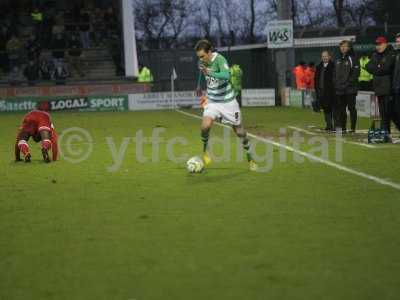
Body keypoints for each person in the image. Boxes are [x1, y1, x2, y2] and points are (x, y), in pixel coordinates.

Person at [195, 39, 257, 171]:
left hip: (228, 102)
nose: (200, 59)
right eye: (199, 57)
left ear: (209, 52)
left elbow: (226, 75)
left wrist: (209, 72)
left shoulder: (220, 60)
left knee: (240, 132)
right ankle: (205, 151)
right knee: (205, 126)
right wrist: (199, 85)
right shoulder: (201, 61)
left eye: (202, 56)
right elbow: (202, 73)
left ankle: (250, 157)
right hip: (212, 101)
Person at [366, 36, 400, 133]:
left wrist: (376, 68)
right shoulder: (375, 54)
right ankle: (386, 133)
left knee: (391, 112)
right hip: (378, 88)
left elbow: (387, 68)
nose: (378, 46)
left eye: (380, 44)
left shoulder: (391, 54)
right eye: (377, 44)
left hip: (389, 88)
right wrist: (379, 68)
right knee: (383, 113)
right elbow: (368, 66)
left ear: (385, 44)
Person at [333, 40, 360, 133]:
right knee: (341, 109)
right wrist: (336, 84)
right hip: (339, 89)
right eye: (341, 46)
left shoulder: (353, 58)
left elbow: (356, 74)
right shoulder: (337, 59)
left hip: (350, 89)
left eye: (345, 46)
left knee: (351, 108)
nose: (343, 48)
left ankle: (353, 128)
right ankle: (343, 127)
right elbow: (334, 74)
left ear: (349, 47)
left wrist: (347, 84)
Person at [315, 51, 336, 131]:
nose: (324, 57)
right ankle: (329, 125)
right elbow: (316, 79)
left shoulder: (333, 66)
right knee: (326, 109)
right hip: (322, 91)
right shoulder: (319, 66)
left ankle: (336, 126)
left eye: (326, 56)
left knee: (334, 109)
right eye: (323, 56)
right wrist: (317, 90)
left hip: (332, 91)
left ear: (329, 57)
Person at [393, 33, 400, 129]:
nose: (398, 43)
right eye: (397, 41)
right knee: (394, 111)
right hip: (396, 87)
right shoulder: (396, 54)